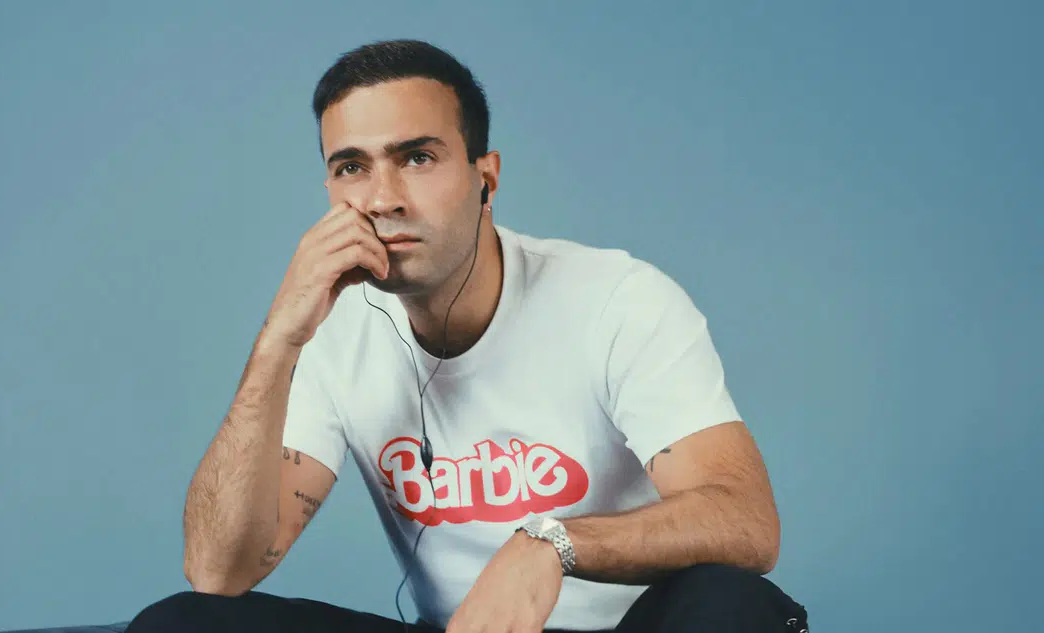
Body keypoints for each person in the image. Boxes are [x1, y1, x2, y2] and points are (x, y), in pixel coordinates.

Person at [130, 39, 809, 633]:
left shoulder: (616, 300)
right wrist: (279, 340)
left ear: (486, 179)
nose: (382, 198)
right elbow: (218, 570)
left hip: (638, 627)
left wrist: (552, 542)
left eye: (417, 158)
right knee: (183, 623)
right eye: (351, 167)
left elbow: (746, 520)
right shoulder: (328, 328)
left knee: (733, 603)